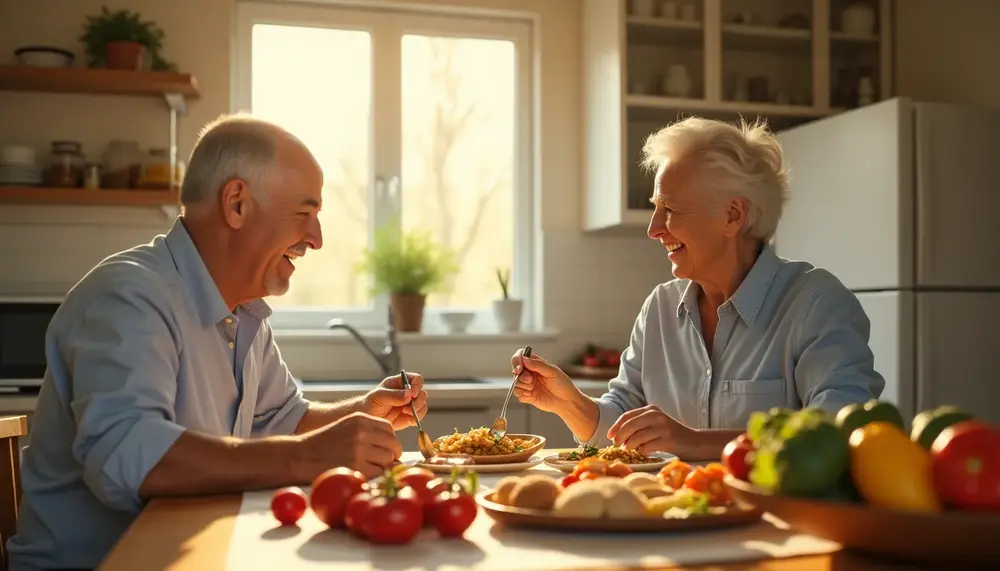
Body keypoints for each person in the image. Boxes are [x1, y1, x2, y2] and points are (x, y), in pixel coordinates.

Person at [7, 114, 429, 571]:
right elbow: (130, 457)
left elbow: (279, 420)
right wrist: (308, 456)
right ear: (237, 204)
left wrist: (360, 411)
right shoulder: (128, 296)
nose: (316, 239)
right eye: (304, 214)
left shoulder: (244, 311)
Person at [511, 117, 884, 462]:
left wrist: (692, 442)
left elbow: (839, 433)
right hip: (671, 522)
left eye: (670, 210)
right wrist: (568, 403)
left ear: (733, 216)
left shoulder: (816, 304)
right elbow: (625, 422)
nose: (654, 228)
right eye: (655, 208)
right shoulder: (660, 307)